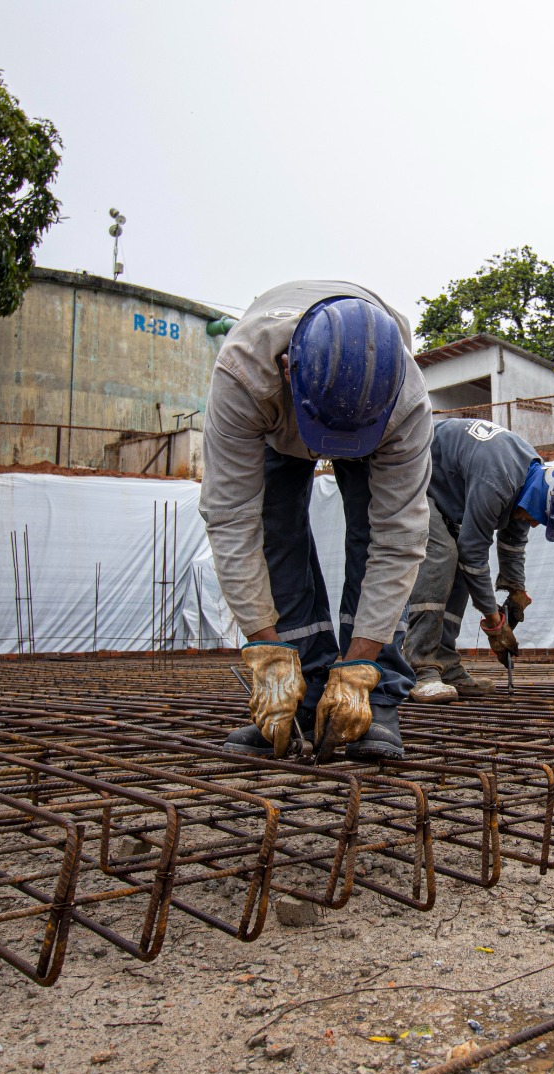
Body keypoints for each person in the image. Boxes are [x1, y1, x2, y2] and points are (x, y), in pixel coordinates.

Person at [201, 282, 430, 762]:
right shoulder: (242, 376)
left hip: (375, 423)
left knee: (373, 538)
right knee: (271, 532)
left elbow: (398, 539)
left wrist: (361, 666)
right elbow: (231, 520)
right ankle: (299, 695)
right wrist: (268, 659)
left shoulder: (404, 402)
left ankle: (375, 696)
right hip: (274, 420)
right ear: (288, 369)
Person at [403, 418, 554, 703]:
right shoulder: (497, 480)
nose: (534, 525)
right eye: (540, 519)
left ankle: (446, 666)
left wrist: (516, 590)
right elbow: (473, 555)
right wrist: (494, 622)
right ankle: (420, 667)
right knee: (443, 555)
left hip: (448, 487)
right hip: (412, 471)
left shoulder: (532, 480)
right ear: (542, 498)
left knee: (457, 566)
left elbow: (513, 543)